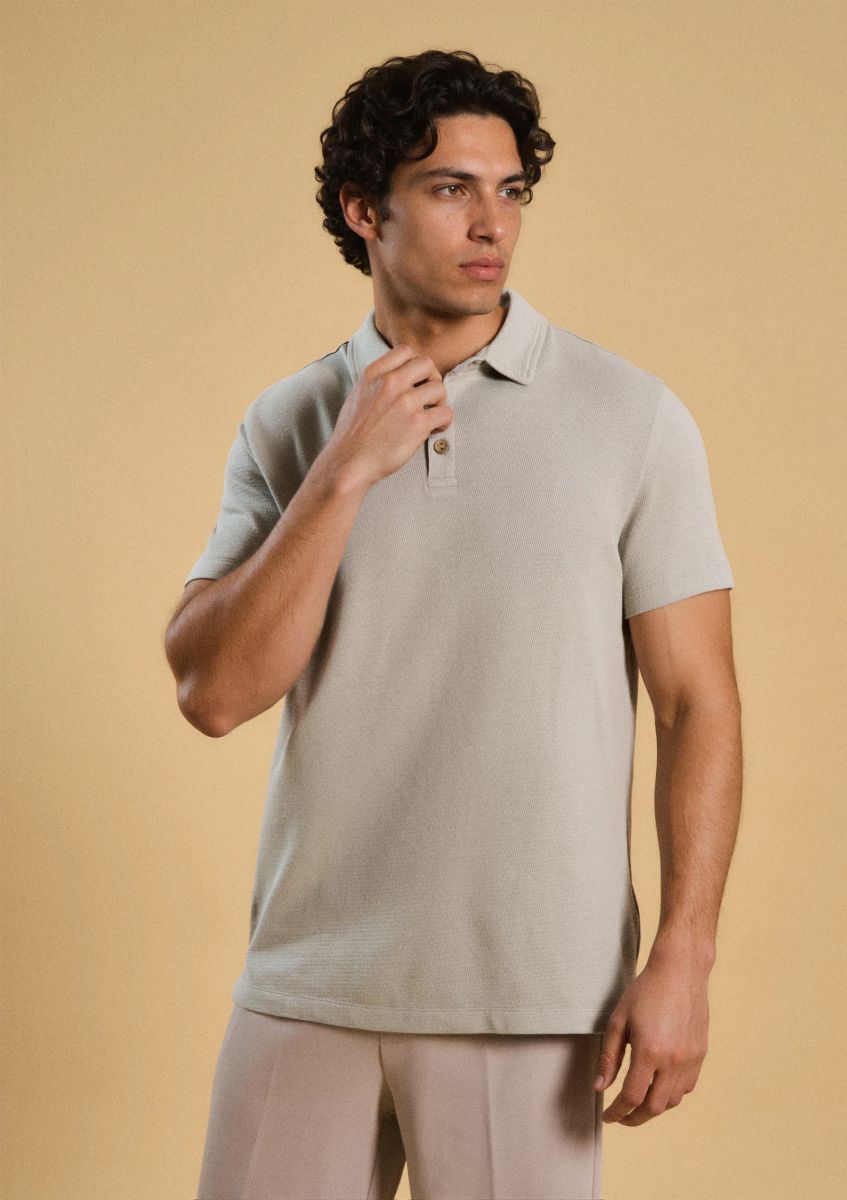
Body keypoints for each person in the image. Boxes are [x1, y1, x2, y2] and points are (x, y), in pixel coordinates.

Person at [165, 47, 742, 1200]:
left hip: (532, 997)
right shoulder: (288, 422)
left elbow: (698, 703)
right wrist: (342, 471)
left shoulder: (629, 416)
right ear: (363, 210)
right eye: (450, 189)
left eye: (510, 190)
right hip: (308, 980)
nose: (493, 224)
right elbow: (216, 693)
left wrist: (684, 955)